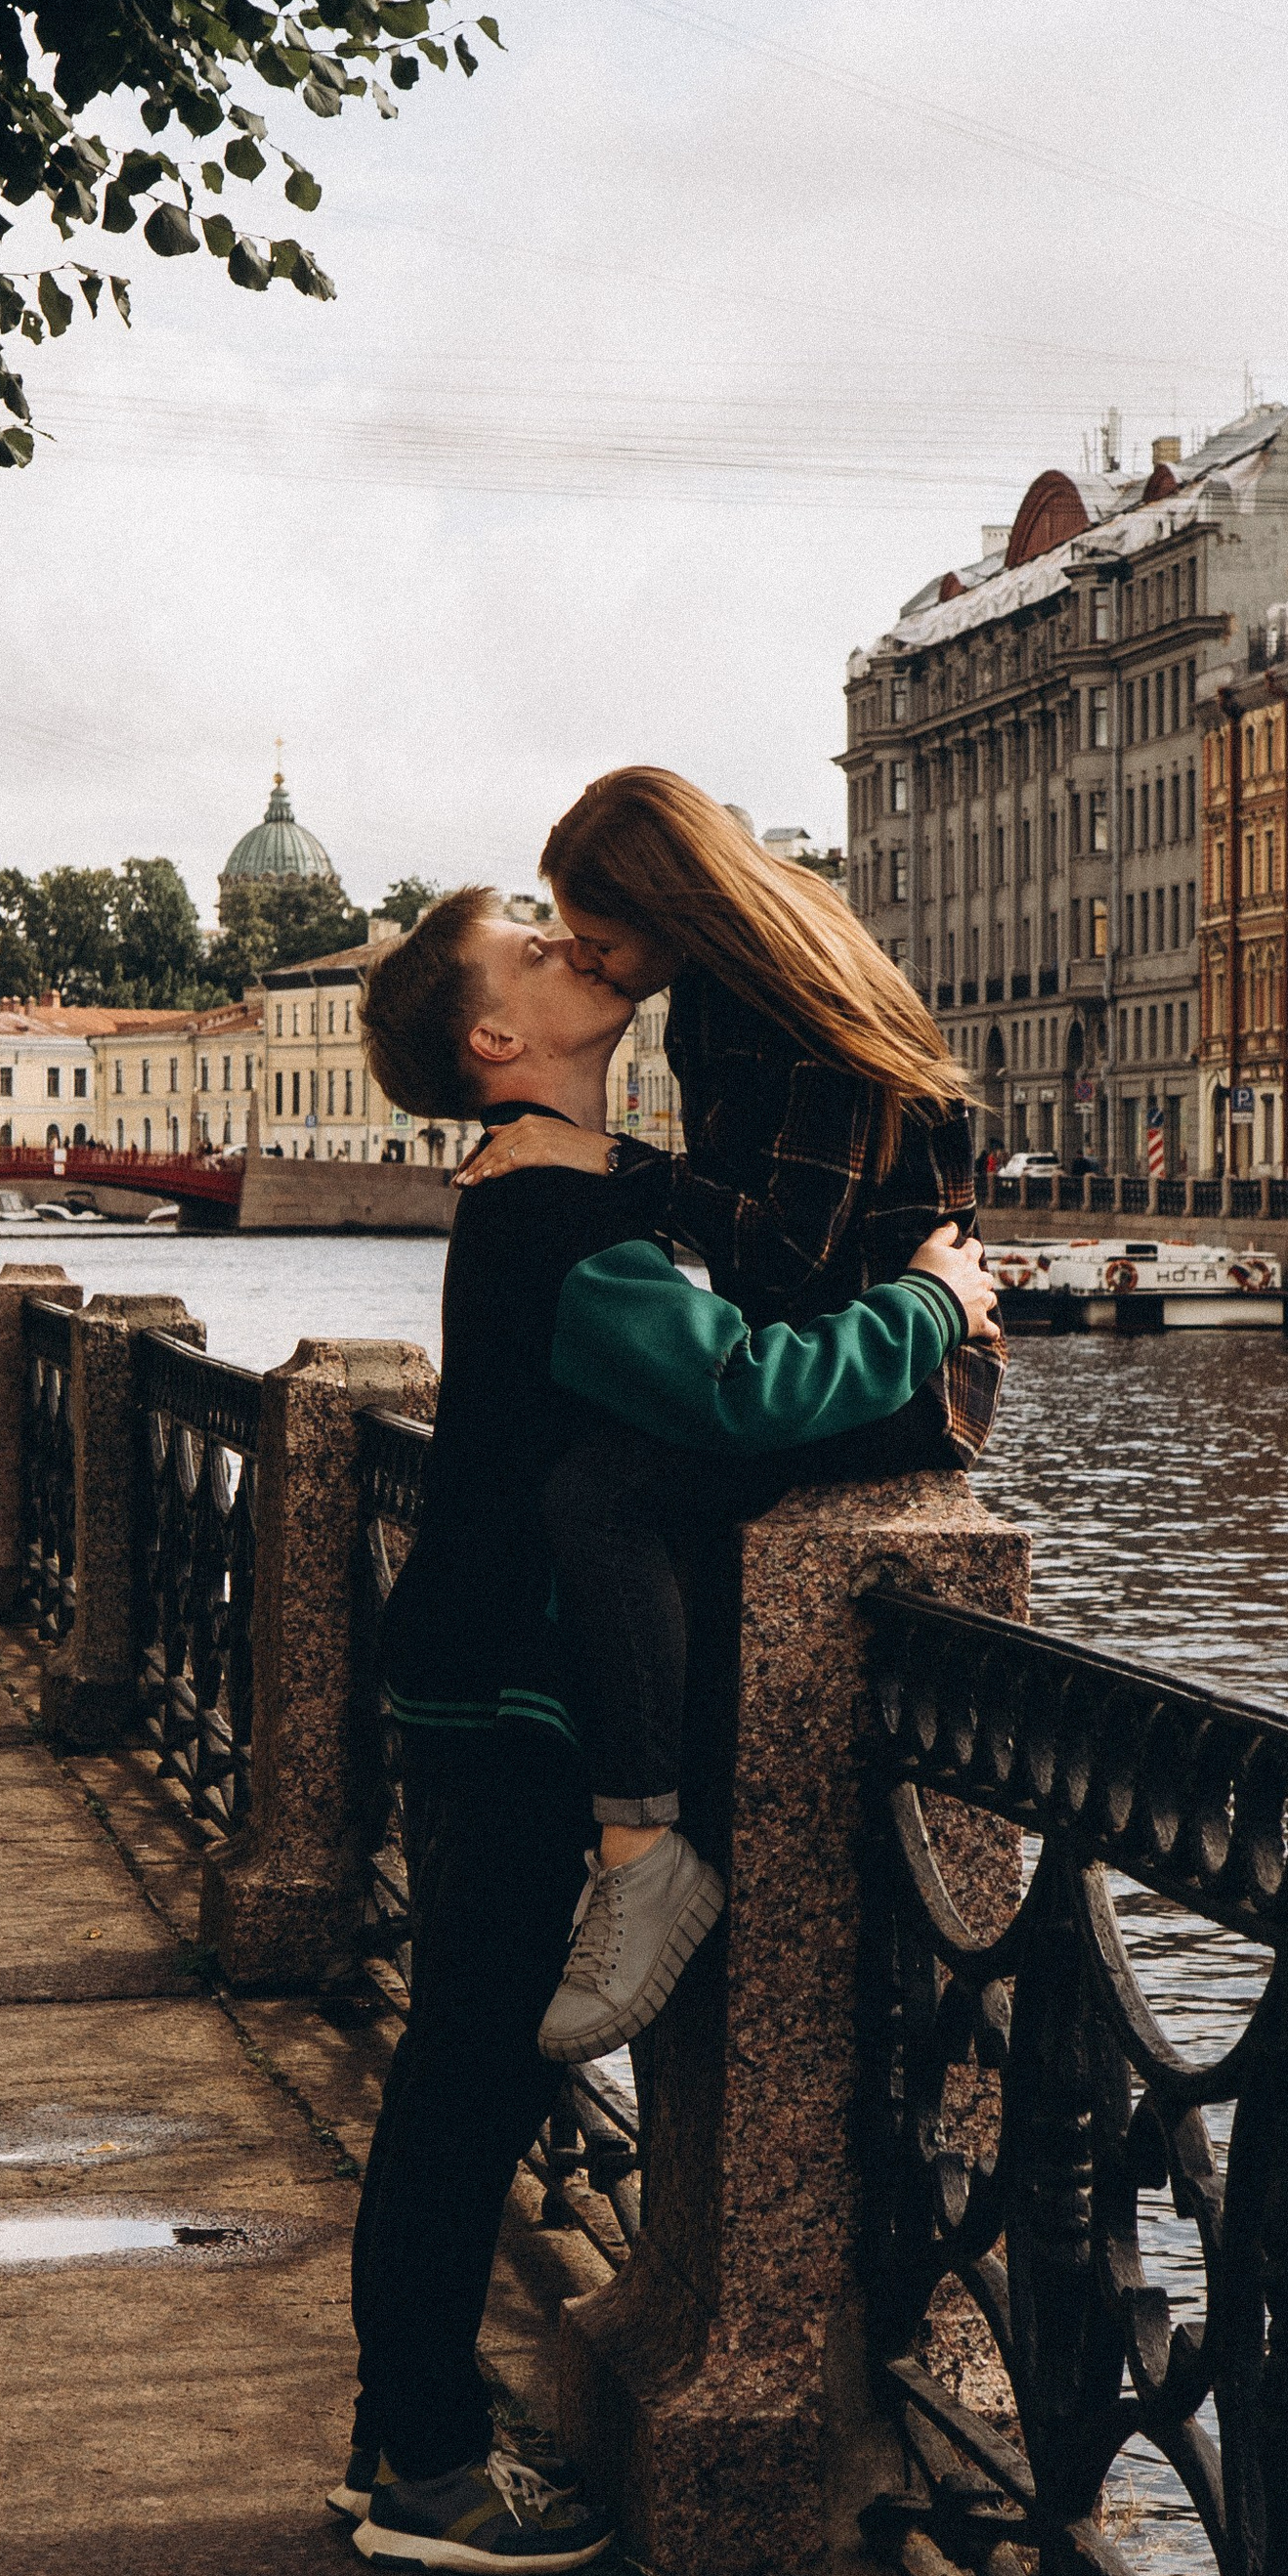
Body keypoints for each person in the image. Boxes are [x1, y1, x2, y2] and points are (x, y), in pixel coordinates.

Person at [342, 891, 998, 2576]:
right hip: (509, 1696)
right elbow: (741, 1392)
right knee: (471, 2081)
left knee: (458, 2068)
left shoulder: (553, 1187)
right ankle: (425, 2468)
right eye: (531, 943)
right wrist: (930, 1305)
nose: (572, 944)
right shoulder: (558, 1222)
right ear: (497, 1039)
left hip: (471, 1673)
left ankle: (399, 2435)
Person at [452, 770, 997, 2060]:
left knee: (602, 1491)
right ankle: (643, 1832)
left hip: (901, 1377)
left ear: (673, 908)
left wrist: (607, 1164)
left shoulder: (800, 1001)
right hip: (822, 1354)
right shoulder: (710, 995)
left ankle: (644, 1854)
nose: (588, 960)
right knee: (611, 1470)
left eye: (601, 938)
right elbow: (760, 1256)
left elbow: (791, 1252)